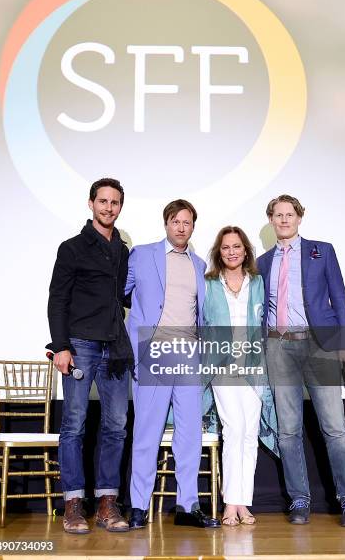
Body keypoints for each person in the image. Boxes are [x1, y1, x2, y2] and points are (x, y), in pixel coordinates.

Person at [257, 194, 345, 527]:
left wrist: (343, 345)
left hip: (321, 346)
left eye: (290, 214)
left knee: (335, 429)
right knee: (287, 431)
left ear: (300, 218)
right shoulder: (262, 262)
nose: (284, 220)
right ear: (271, 220)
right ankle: (299, 500)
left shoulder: (323, 251)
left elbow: (340, 297)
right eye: (278, 215)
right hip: (279, 348)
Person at [126, 199, 220, 529]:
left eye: (187, 222)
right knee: (147, 431)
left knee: (190, 433)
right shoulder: (142, 254)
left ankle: (187, 505)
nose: (181, 227)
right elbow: (120, 294)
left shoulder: (198, 264)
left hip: (189, 353)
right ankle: (137, 505)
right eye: (175, 221)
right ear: (166, 223)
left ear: (193, 227)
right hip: (154, 351)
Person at [47, 178, 134, 534]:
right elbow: (57, 300)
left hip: (115, 347)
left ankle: (107, 502)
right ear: (90, 203)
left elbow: (126, 297)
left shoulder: (124, 251)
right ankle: (72, 504)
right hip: (80, 345)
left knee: (116, 426)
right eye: (103, 201)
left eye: (115, 202)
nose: (108, 207)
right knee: (74, 425)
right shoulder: (72, 248)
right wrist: (60, 345)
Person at [203, 226, 278, 526]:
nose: (232, 251)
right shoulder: (208, 283)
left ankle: (243, 503)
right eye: (225, 247)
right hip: (221, 366)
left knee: (249, 435)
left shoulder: (258, 282)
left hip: (253, 366)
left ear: (245, 250)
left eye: (237, 246)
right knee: (233, 428)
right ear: (218, 253)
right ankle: (230, 503)